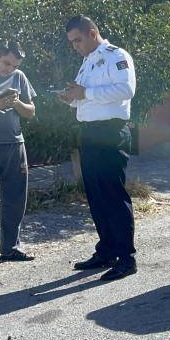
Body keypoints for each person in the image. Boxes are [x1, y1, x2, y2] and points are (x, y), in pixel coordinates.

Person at [57, 15, 137, 280]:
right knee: (95, 196)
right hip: (89, 134)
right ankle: (107, 250)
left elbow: (126, 90)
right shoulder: (86, 63)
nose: (75, 46)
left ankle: (126, 258)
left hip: (110, 133)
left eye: (77, 40)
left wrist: (85, 94)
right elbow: (84, 98)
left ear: (92, 33)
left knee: (113, 195)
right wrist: (71, 98)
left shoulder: (116, 56)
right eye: (71, 42)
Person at [0, 40, 36, 262]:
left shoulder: (19, 77)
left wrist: (16, 103)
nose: (9, 69)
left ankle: (10, 247)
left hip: (14, 144)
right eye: (6, 63)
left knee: (15, 198)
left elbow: (31, 112)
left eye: (14, 65)